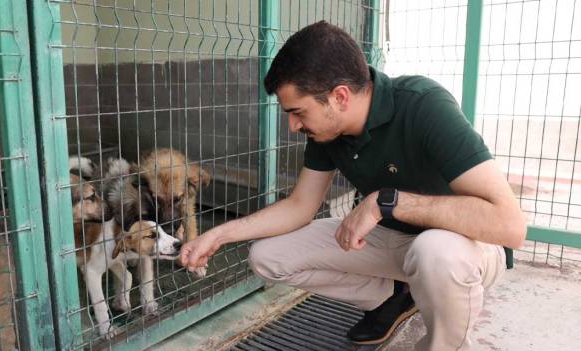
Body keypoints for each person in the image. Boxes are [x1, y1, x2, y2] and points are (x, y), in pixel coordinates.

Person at [180, 21, 526, 350]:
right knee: (267, 256)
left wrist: (385, 202)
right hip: (391, 238)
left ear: (340, 97)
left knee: (435, 253)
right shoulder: (327, 129)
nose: (292, 126)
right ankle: (396, 294)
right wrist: (220, 235)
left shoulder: (423, 105)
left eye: (297, 112)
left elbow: (510, 227)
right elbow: (301, 205)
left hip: (467, 245)